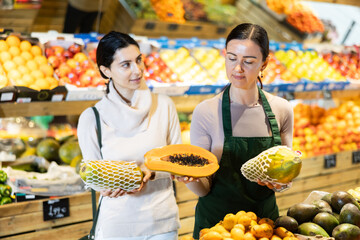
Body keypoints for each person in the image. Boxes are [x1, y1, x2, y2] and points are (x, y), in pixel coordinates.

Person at [177, 23, 294, 239]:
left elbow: (285, 176)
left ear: (264, 63)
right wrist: (190, 178)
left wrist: (281, 183)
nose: (237, 69)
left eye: (248, 62)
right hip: (215, 228)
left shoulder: (281, 110)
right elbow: (204, 188)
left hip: (263, 228)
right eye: (231, 58)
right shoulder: (206, 111)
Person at [77, 31, 181, 240]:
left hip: (162, 223)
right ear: (106, 71)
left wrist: (150, 171)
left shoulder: (164, 106)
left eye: (138, 60)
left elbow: (178, 162)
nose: (137, 70)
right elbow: (92, 173)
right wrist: (104, 186)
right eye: (126, 64)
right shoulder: (92, 118)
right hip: (116, 225)